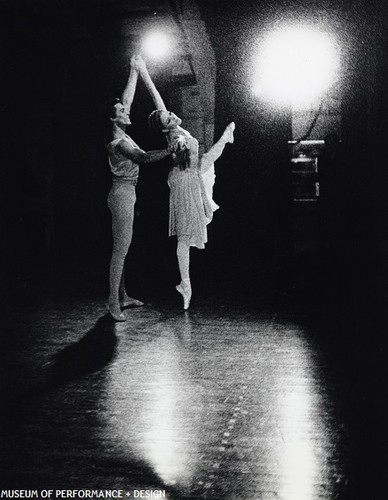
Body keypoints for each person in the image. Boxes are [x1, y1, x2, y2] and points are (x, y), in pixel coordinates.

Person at [132, 56, 235, 310]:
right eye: (169, 119)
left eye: (171, 114)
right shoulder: (175, 138)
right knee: (186, 237)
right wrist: (178, 152)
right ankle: (185, 283)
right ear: (165, 128)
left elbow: (157, 97)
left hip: (189, 178)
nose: (174, 116)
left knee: (189, 233)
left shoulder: (174, 127)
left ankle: (225, 139)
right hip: (185, 181)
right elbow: (181, 156)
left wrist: (144, 71)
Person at [105, 57, 173, 321]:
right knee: (120, 249)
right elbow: (143, 157)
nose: (126, 112)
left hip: (126, 192)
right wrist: (169, 150)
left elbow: (127, 98)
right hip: (121, 193)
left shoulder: (120, 128)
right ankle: (113, 302)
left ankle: (122, 296)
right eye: (121, 111)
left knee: (123, 247)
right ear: (113, 118)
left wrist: (134, 71)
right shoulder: (118, 140)